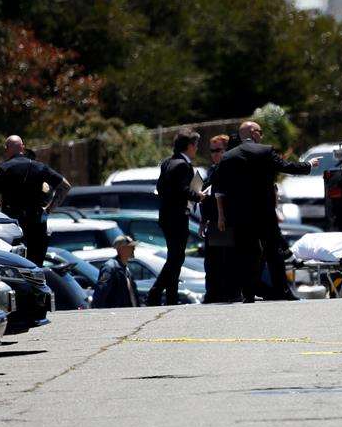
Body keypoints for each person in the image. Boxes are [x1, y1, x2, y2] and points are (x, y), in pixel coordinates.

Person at [215, 120, 320, 302]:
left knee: (245, 253)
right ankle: (282, 290)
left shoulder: (228, 157)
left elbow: (220, 187)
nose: (261, 136)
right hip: (264, 211)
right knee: (273, 252)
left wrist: (222, 215)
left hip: (239, 215)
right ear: (254, 133)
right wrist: (308, 165)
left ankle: (247, 293)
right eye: (260, 132)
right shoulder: (264, 151)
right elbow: (286, 167)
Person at [0, 135, 71, 266]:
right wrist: (48, 209)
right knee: (36, 267)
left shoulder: (2, 170)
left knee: (13, 268)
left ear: (6, 149)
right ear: (23, 147)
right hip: (36, 225)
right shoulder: (39, 167)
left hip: (12, 228)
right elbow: (65, 186)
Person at [147, 128, 205, 306]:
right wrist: (199, 196)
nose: (196, 149)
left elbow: (161, 187)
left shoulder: (167, 162)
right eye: (195, 145)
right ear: (189, 146)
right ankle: (155, 292)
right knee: (176, 258)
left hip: (166, 216)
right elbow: (182, 189)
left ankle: (171, 297)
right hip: (177, 217)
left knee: (174, 257)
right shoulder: (182, 165)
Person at [201, 134, 236, 303]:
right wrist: (203, 220)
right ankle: (213, 293)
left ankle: (226, 293)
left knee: (225, 260)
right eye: (211, 151)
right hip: (212, 221)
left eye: (218, 150)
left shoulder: (228, 169)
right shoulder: (212, 170)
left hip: (224, 220)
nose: (214, 154)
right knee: (212, 262)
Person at [93, 235, 139, 309]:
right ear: (121, 249)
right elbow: (101, 291)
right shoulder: (109, 268)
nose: (134, 249)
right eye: (130, 246)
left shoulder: (126, 269)